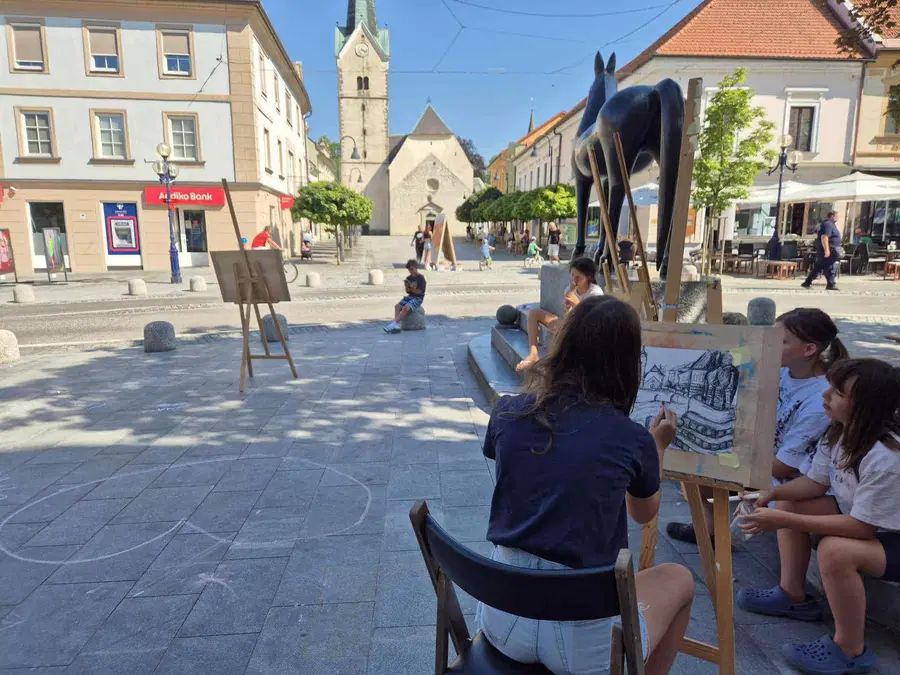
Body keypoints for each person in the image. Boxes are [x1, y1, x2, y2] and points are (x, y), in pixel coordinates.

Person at [478, 296, 695, 675]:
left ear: (563, 346)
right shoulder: (631, 438)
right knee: (679, 578)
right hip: (581, 647)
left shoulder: (507, 411)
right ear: (628, 361)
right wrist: (657, 446)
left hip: (501, 622)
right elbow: (643, 512)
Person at [736, 358, 900, 675]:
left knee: (835, 551)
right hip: (866, 520)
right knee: (786, 505)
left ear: (865, 406)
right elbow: (815, 482)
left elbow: (861, 528)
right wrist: (773, 494)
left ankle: (851, 649)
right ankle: (792, 594)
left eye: (837, 393)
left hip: (889, 535)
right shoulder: (839, 432)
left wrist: (783, 520)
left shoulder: (886, 458)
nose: (825, 397)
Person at [666, 308, 848, 546]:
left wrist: (725, 449)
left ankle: (717, 533)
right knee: (694, 457)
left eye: (780, 341)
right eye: (769, 337)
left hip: (790, 481)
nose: (768, 344)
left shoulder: (818, 398)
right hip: (763, 460)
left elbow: (783, 467)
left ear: (809, 350)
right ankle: (710, 532)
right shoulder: (782, 370)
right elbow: (739, 370)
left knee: (704, 456)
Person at [516, 257, 603, 372]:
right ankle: (533, 354)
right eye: (572, 275)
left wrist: (576, 303)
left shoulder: (596, 292)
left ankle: (555, 362)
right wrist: (568, 308)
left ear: (589, 277)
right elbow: (568, 316)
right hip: (569, 324)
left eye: (578, 277)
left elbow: (593, 320)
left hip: (585, 330)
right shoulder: (569, 289)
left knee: (565, 335)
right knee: (534, 314)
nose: (574, 280)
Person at [802, 211, 842, 291]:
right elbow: (824, 237)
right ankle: (831, 284)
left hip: (830, 249)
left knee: (819, 266)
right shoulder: (828, 224)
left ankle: (807, 282)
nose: (837, 218)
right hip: (829, 249)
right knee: (830, 266)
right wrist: (827, 250)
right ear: (832, 216)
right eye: (837, 216)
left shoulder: (831, 224)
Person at [384, 259, 426, 333]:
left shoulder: (421, 278)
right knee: (397, 306)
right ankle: (396, 326)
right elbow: (407, 291)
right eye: (409, 270)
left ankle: (393, 324)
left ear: (416, 268)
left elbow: (420, 292)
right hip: (410, 297)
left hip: (418, 298)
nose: (410, 271)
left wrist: (412, 288)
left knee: (406, 307)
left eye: (412, 269)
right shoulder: (409, 278)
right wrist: (407, 286)